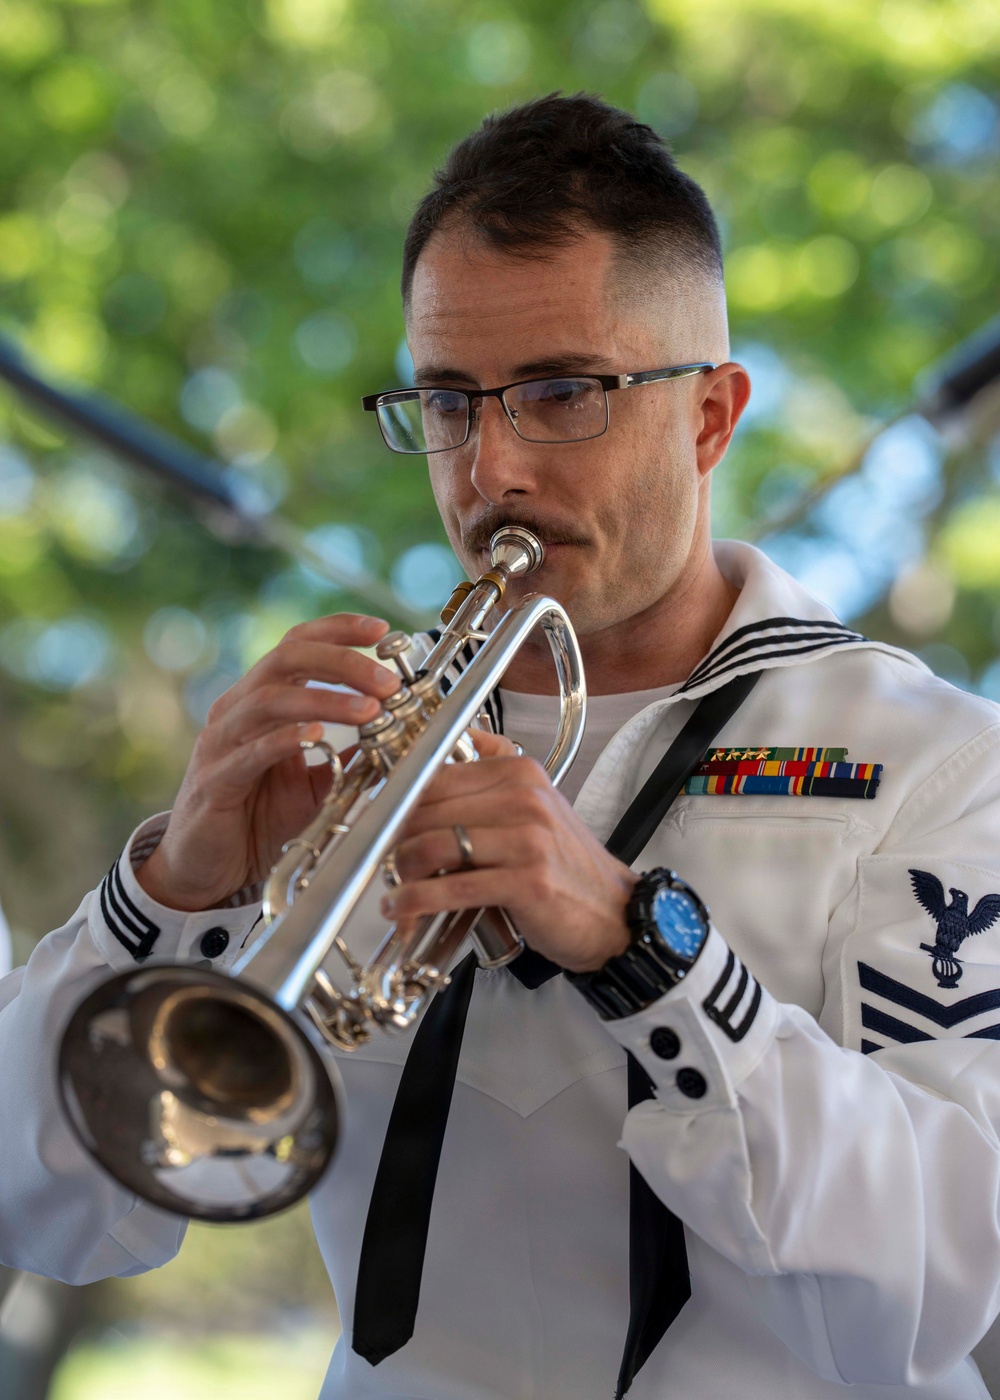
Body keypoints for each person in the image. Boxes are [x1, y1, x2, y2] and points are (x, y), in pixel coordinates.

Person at [3, 92, 1000, 1400]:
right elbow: (48, 1216)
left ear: (709, 417)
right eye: (451, 403)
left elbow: (940, 1283)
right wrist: (170, 893)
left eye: (562, 393)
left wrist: (645, 948)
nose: (494, 470)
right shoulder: (358, 740)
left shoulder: (937, 759)